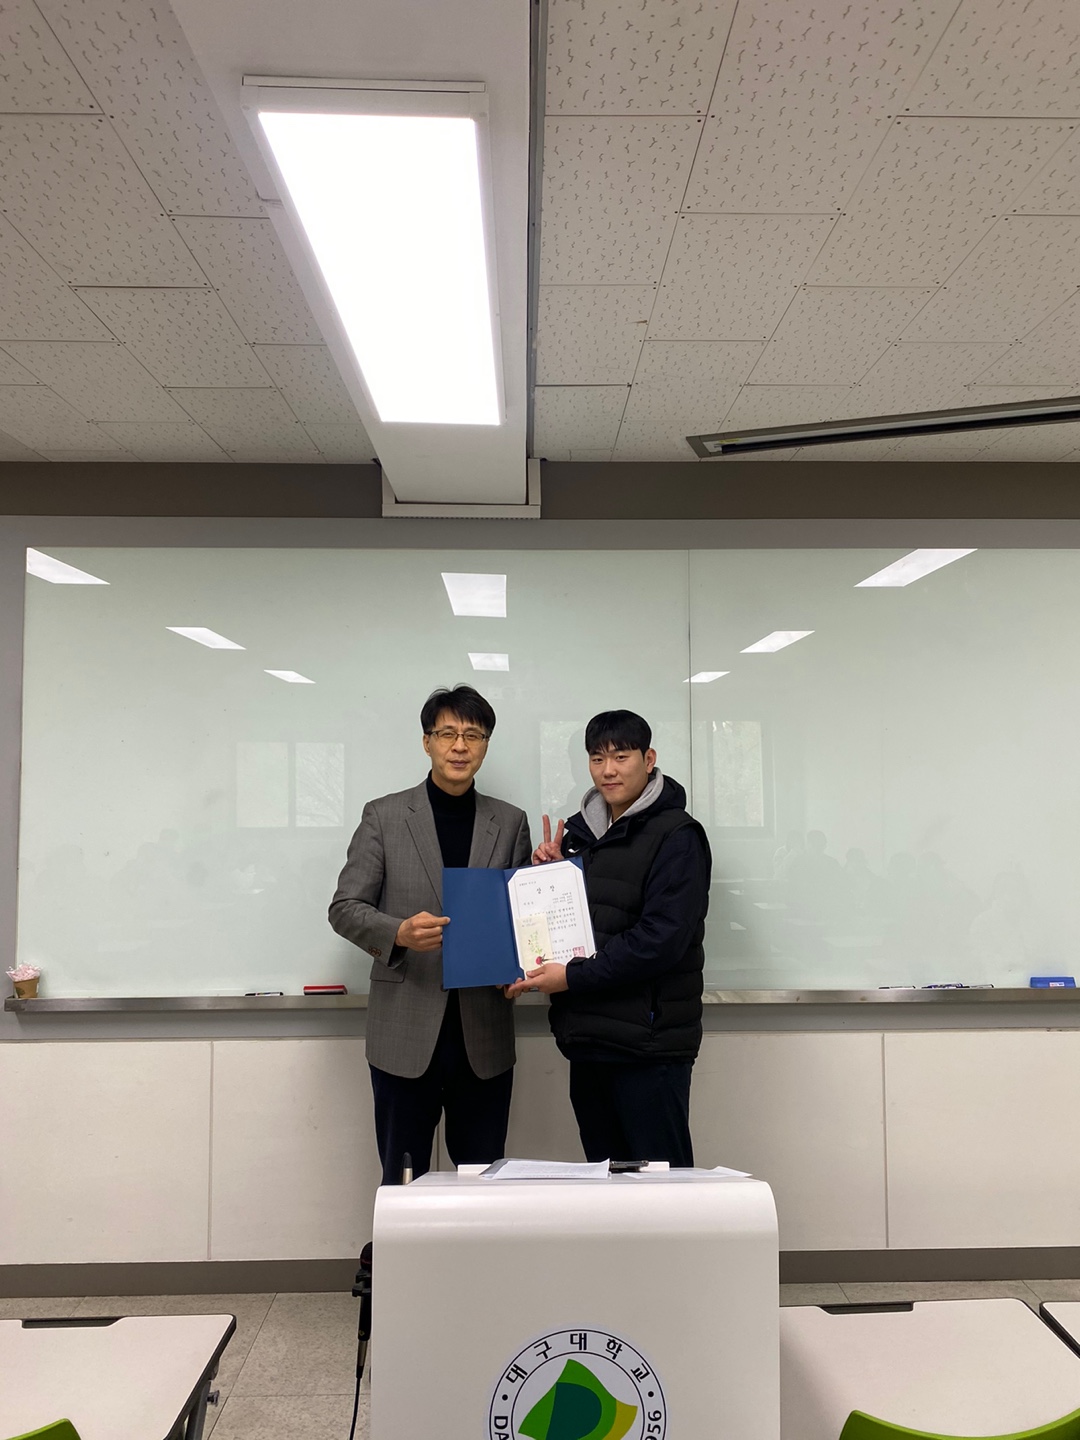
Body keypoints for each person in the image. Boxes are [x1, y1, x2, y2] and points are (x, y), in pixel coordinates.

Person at [329, 685, 531, 1183]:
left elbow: (522, 921)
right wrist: (397, 932)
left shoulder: (509, 822)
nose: (460, 746)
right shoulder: (384, 816)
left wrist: (523, 959)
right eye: (447, 734)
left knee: (482, 1179)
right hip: (405, 1032)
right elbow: (345, 908)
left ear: (485, 745)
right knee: (403, 1178)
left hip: (483, 1034)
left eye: (473, 735)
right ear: (427, 742)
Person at [507, 709, 711, 1166]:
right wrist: (551, 876)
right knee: (606, 1183)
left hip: (648, 1046)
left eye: (621, 756)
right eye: (597, 758)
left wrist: (571, 978)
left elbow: (659, 941)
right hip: (589, 1039)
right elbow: (586, 923)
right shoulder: (579, 837)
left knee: (660, 1184)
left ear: (649, 759)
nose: (608, 770)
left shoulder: (677, 836)